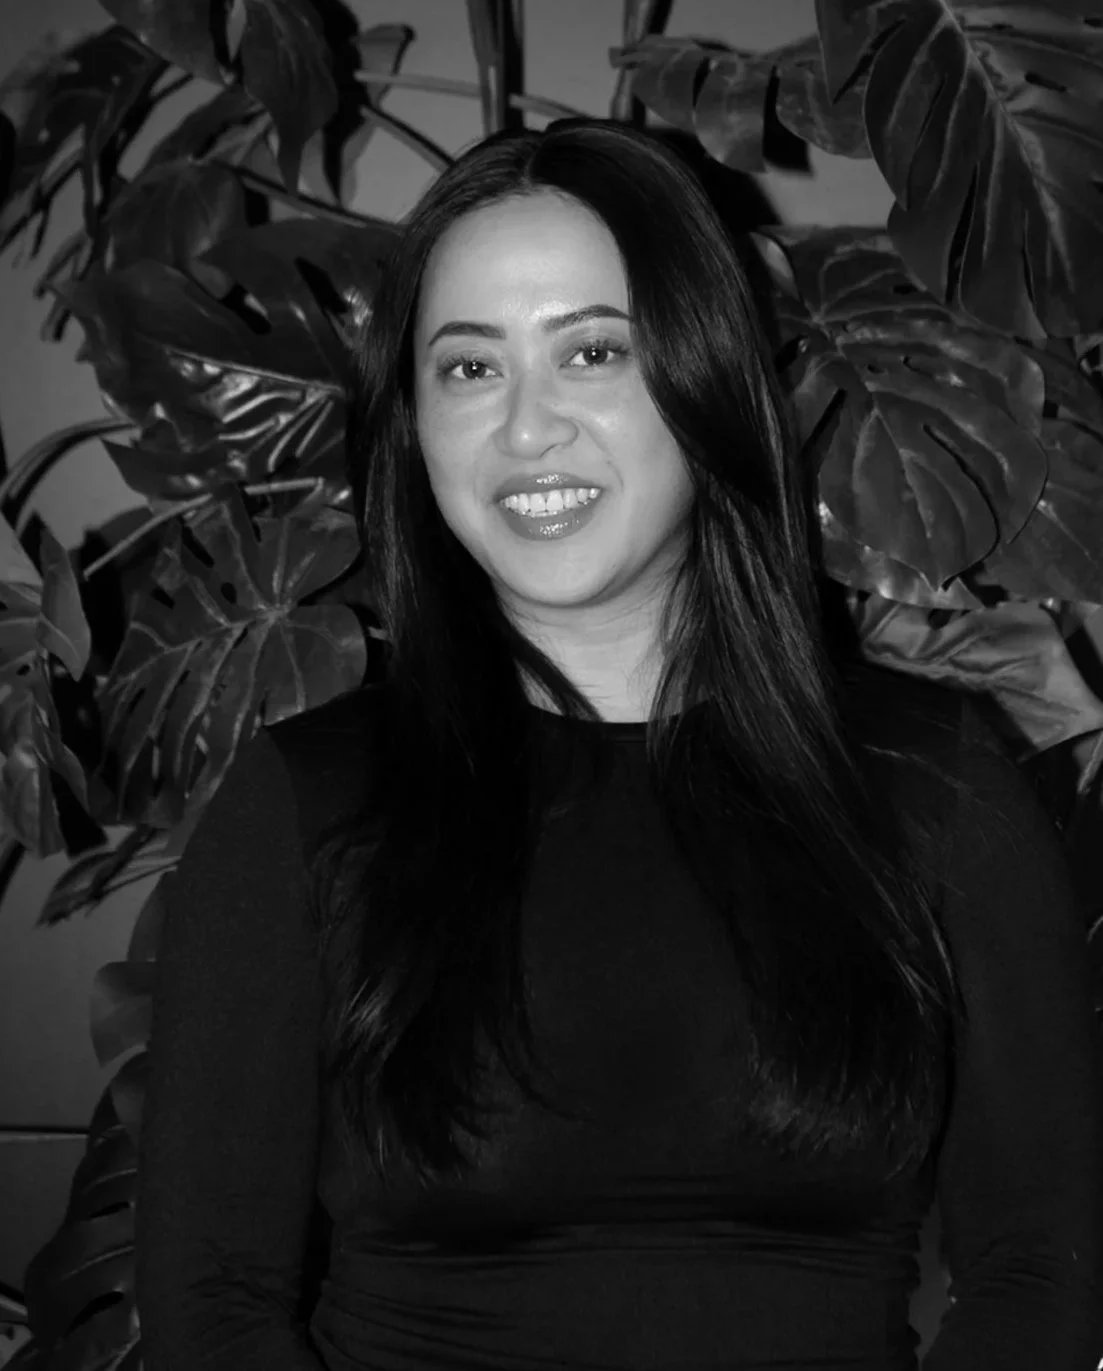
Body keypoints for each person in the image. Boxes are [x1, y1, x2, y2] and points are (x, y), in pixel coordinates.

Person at [134, 120, 1103, 1370]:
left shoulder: (933, 780)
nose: (528, 428)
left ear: (704, 377)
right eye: (469, 370)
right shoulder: (303, 805)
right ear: (415, 426)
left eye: (592, 351)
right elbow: (210, 1304)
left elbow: (1041, 1264)